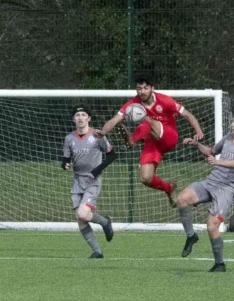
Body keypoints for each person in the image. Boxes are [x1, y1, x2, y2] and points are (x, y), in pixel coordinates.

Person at [97, 74, 204, 208]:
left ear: (152, 88)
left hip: (169, 136)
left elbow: (187, 114)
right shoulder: (133, 103)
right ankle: (169, 188)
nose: (142, 91)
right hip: (152, 141)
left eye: (145, 88)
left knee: (145, 118)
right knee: (145, 178)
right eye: (139, 88)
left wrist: (198, 130)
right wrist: (103, 132)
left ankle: (132, 140)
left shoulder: (164, 100)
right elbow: (114, 120)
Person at [176, 114, 234, 272]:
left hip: (226, 188)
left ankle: (219, 264)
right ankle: (191, 236)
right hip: (211, 182)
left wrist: (217, 161)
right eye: (232, 122)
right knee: (182, 198)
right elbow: (211, 150)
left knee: (212, 226)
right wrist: (197, 144)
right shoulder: (227, 138)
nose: (232, 125)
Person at [62, 105, 116, 259]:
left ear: (89, 118)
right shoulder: (69, 138)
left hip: (93, 180)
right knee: (81, 219)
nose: (80, 118)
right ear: (74, 119)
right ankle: (97, 252)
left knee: (83, 213)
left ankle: (105, 222)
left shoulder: (97, 135)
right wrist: (65, 164)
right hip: (77, 181)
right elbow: (66, 159)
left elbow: (112, 156)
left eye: (83, 115)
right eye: (77, 115)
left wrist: (97, 170)